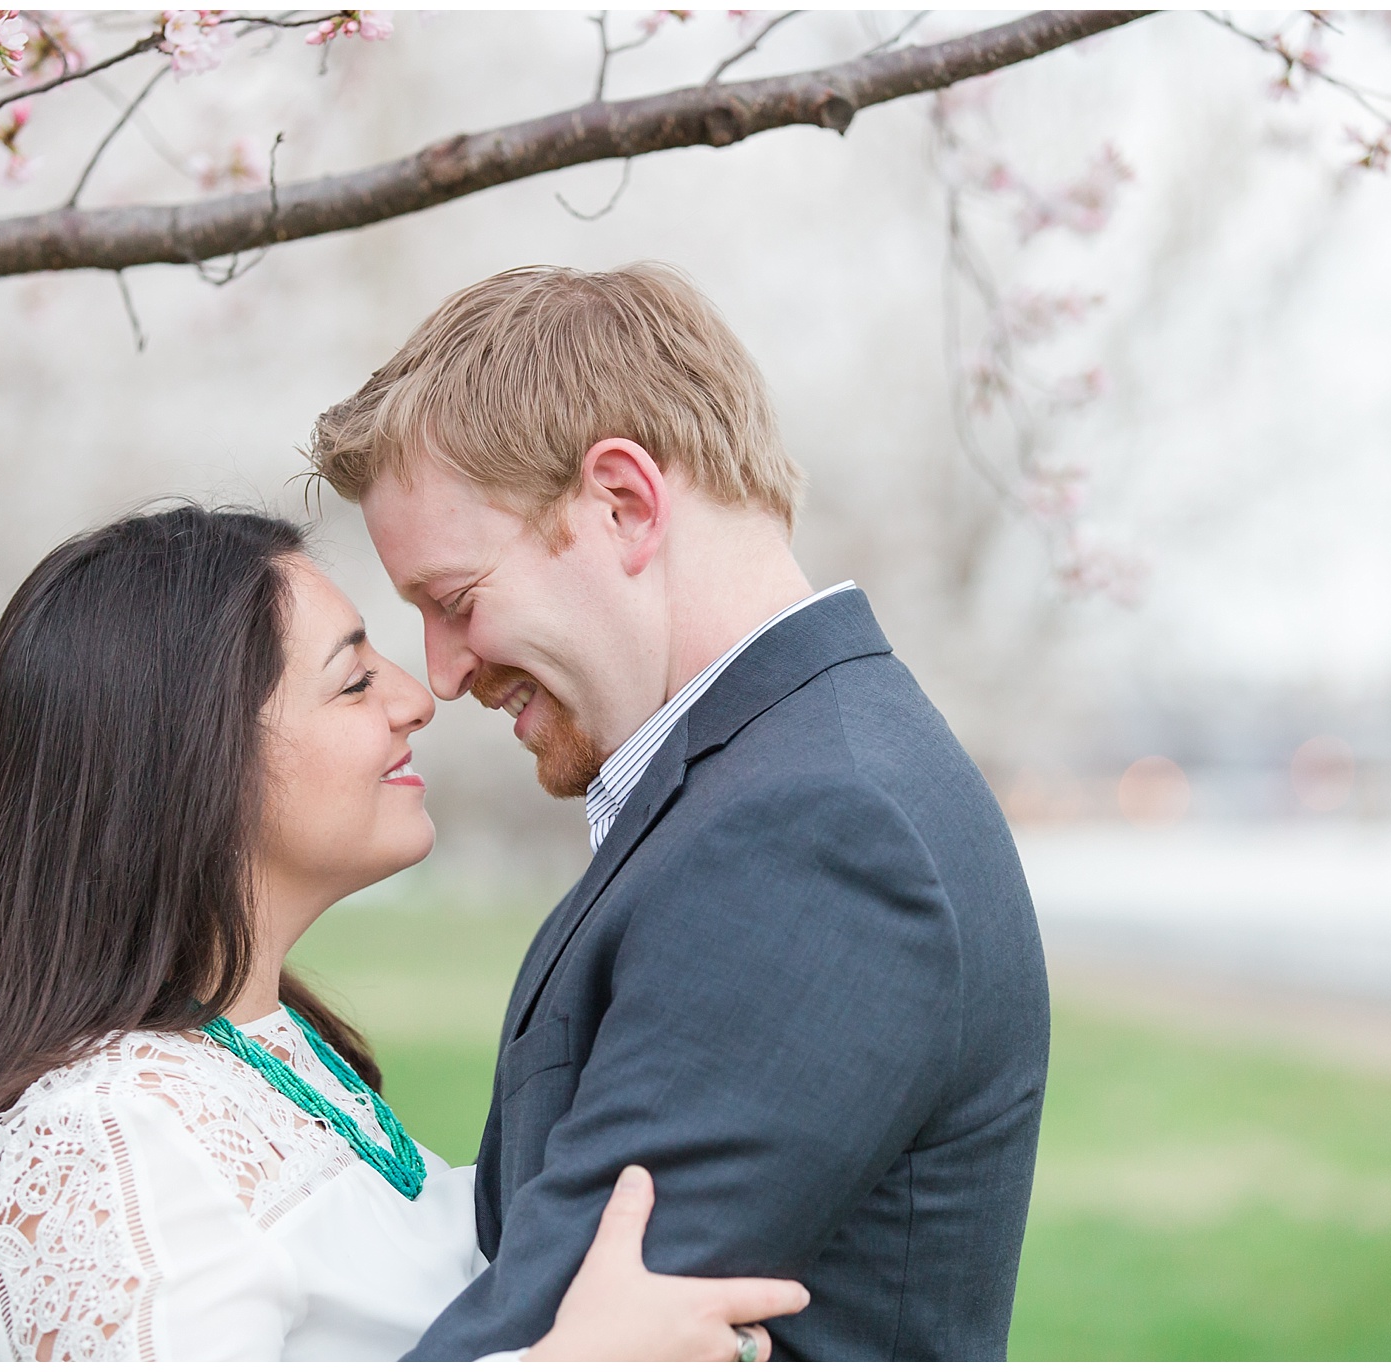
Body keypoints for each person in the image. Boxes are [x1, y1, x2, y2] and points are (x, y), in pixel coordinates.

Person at [0, 506, 808, 1360]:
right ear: (193, 760)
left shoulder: (268, 1056)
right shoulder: (102, 1139)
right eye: (352, 683)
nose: (416, 697)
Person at [308, 263, 1051, 1361]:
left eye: (454, 601)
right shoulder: (784, 781)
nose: (444, 672)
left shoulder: (811, 837)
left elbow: (550, 1327)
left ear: (623, 504)